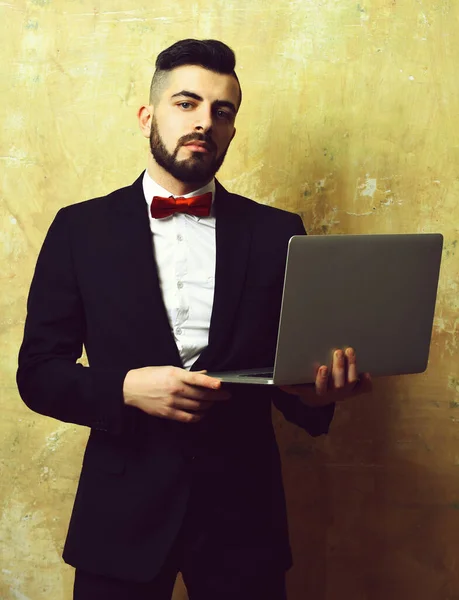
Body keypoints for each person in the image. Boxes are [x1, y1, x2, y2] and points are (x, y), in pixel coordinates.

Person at [17, 39, 371, 600]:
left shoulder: (278, 232)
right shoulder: (78, 230)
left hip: (243, 519)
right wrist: (128, 387)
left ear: (232, 129)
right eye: (186, 103)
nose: (204, 122)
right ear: (147, 115)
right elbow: (37, 373)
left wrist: (317, 395)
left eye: (221, 111)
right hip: (121, 520)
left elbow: (284, 374)